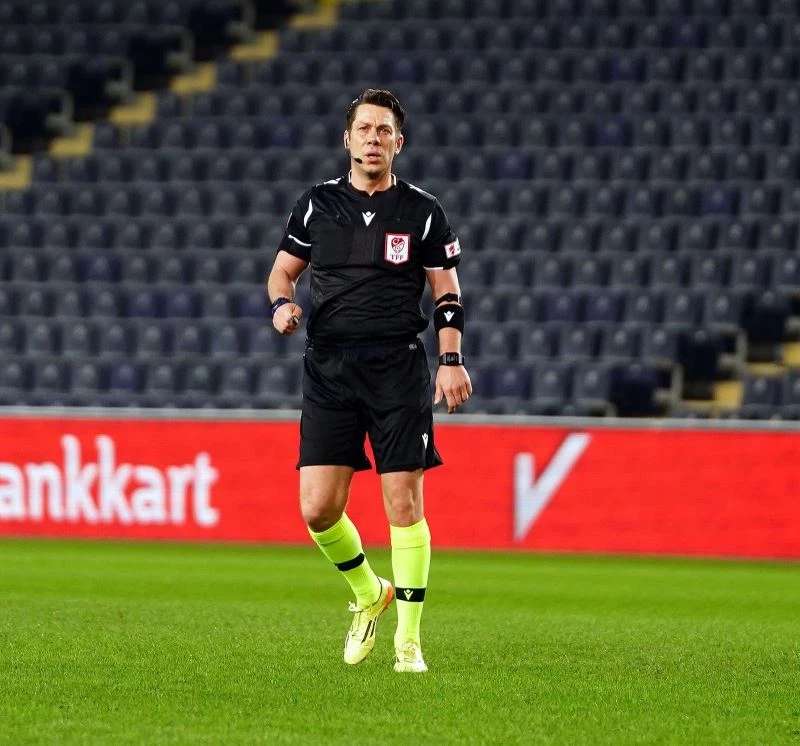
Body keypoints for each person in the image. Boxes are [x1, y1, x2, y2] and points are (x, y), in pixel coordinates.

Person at [266, 88, 471, 673]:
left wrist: (451, 360)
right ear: (347, 139)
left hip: (396, 368)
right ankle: (368, 592)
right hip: (329, 368)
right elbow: (282, 272)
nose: (374, 139)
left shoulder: (423, 211)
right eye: (365, 129)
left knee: (403, 501)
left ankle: (409, 642)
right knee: (317, 509)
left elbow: (447, 291)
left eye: (384, 130)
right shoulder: (316, 206)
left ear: (398, 143)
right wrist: (281, 306)